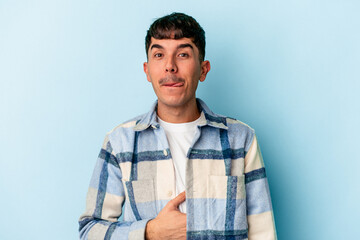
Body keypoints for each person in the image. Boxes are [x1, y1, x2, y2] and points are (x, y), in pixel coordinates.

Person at [79, 12, 277, 240]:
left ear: (203, 69)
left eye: (182, 54)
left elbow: (264, 233)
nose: (170, 66)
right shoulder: (120, 142)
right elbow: (89, 231)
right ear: (147, 70)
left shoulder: (241, 139)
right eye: (159, 54)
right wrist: (151, 231)